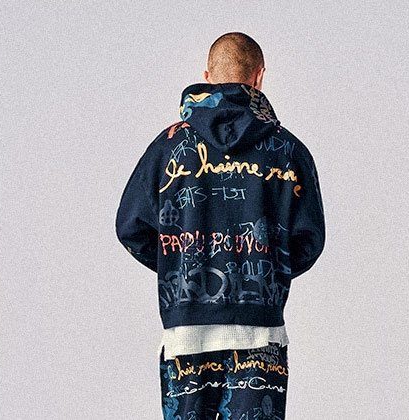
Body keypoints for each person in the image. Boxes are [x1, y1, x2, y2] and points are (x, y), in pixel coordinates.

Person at [115, 32, 326, 419]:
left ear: (207, 77)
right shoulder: (288, 151)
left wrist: (180, 265)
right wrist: (267, 270)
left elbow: (131, 228)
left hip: (186, 331)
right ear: (259, 76)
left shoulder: (167, 148)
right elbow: (309, 240)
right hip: (259, 332)